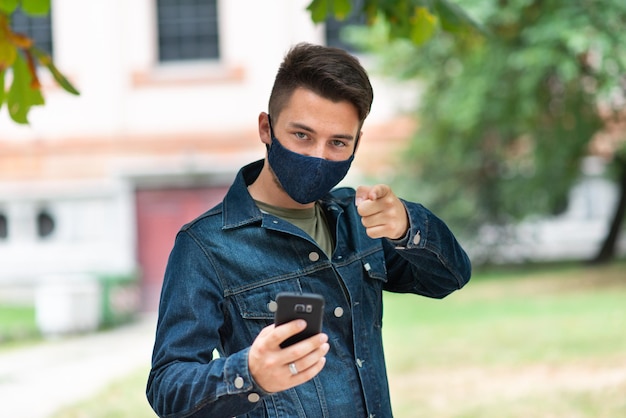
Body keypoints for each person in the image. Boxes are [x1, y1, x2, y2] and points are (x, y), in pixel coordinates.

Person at [146, 42, 471, 418]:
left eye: (338, 143)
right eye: (302, 135)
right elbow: (167, 388)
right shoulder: (204, 247)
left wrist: (407, 226)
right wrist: (249, 374)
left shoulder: (361, 218)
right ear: (266, 128)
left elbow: (450, 277)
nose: (319, 156)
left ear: (357, 143)